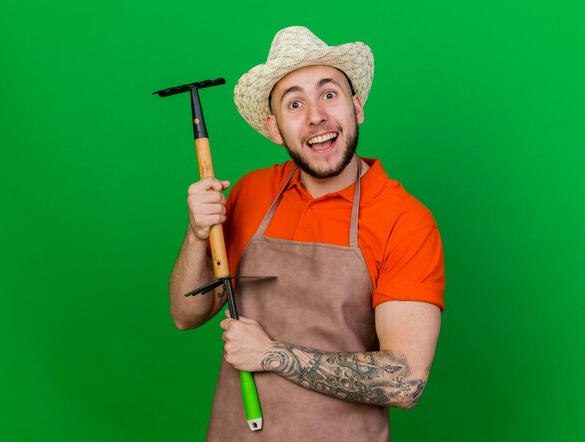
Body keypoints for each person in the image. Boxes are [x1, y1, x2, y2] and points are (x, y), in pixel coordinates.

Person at [169, 26, 445, 441]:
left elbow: (404, 381)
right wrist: (196, 234)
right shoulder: (251, 192)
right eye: (294, 103)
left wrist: (272, 354)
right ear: (275, 128)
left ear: (357, 107)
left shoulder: (404, 219)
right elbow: (186, 315)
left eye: (328, 94)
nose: (316, 115)